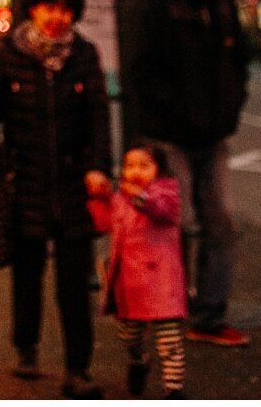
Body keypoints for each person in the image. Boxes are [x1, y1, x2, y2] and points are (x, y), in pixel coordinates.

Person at [0, 0, 113, 399]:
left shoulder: (85, 55)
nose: (56, 17)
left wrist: (99, 166)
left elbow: (99, 115)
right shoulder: (9, 54)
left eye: (64, 10)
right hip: (24, 181)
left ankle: (78, 368)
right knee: (27, 273)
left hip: (74, 184)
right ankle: (27, 348)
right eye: (48, 8)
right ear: (33, 9)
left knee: (75, 281)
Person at [124, 0, 252, 349]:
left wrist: (231, 106)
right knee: (173, 222)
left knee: (220, 221)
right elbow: (142, 70)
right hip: (170, 135)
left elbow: (238, 60)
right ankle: (167, 308)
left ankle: (209, 314)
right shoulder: (158, 4)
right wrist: (175, 113)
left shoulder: (220, 5)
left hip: (212, 133)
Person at [103, 144, 188, 399]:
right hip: (130, 282)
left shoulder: (167, 193)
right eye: (130, 166)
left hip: (162, 280)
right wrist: (98, 197)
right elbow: (104, 221)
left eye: (144, 166)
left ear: (159, 170)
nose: (136, 172)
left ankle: (174, 389)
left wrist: (140, 197)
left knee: (169, 339)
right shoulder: (120, 199)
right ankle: (138, 360)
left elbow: (162, 210)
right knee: (129, 334)